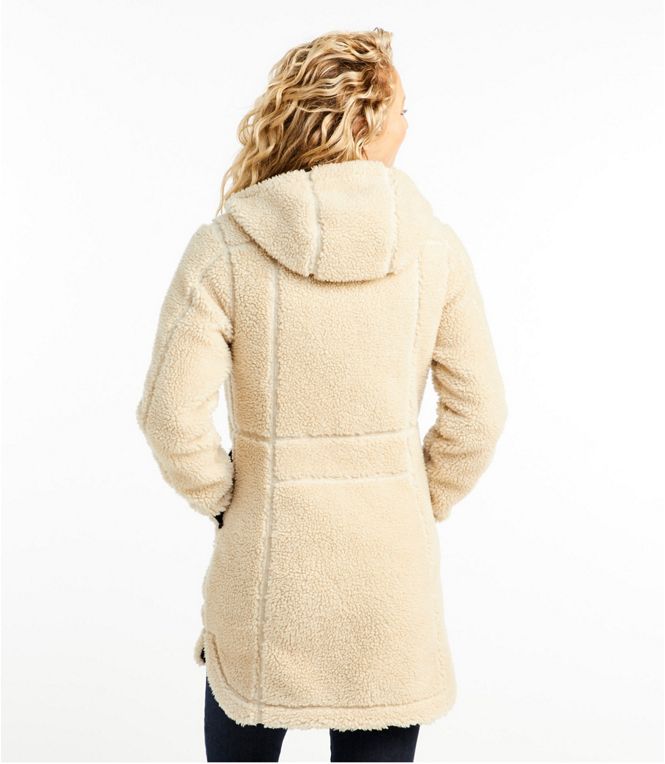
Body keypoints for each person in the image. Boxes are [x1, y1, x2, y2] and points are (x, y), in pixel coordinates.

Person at [136, 27, 507, 763]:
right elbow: (479, 416)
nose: (408, 126)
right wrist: (416, 496)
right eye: (401, 110)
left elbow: (169, 416)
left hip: (264, 572)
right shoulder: (435, 251)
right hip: (389, 580)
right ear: (364, 121)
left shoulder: (227, 247)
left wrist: (226, 499)